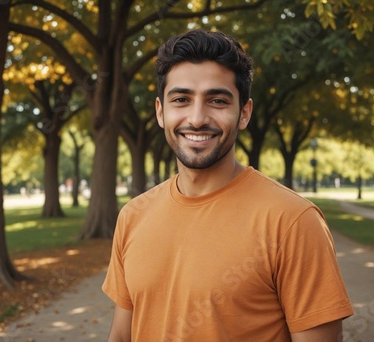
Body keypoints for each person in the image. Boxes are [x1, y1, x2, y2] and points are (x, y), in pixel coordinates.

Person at [102, 29, 354, 341]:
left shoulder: (293, 221)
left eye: (217, 100)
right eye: (181, 99)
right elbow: (121, 335)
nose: (196, 118)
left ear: (244, 113)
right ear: (160, 112)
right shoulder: (132, 216)